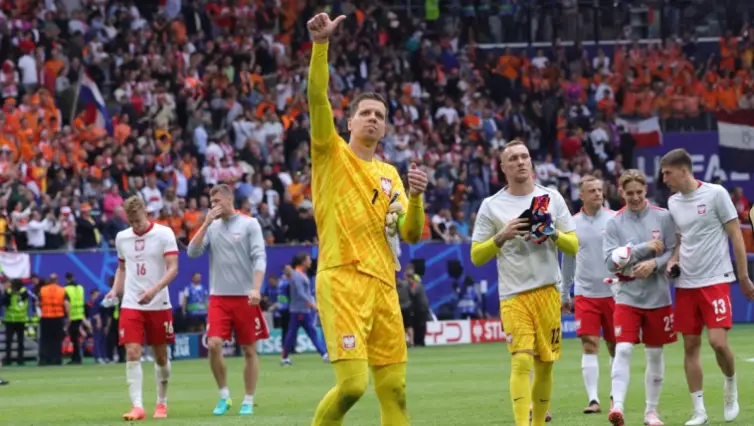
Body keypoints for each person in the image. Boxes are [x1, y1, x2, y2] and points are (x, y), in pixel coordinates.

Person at [306, 13, 428, 426]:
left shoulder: (391, 174)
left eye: (380, 115)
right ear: (349, 121)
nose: (373, 119)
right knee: (354, 386)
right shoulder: (330, 153)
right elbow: (316, 98)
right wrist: (321, 46)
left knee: (395, 389)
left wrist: (415, 199)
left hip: (384, 284)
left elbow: (411, 234)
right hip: (342, 277)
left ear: (386, 125)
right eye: (366, 114)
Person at [470, 140, 578, 426]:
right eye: (513, 158)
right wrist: (501, 236)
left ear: (531, 163)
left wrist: (552, 233)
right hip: (513, 295)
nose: (520, 162)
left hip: (547, 291)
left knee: (545, 366)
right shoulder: (491, 206)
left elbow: (573, 246)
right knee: (521, 360)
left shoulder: (551, 198)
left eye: (525, 157)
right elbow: (476, 256)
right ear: (503, 167)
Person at [660, 149, 754, 425]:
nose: (664, 178)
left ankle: (730, 386)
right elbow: (679, 241)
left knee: (718, 342)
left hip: (715, 280)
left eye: (668, 172)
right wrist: (673, 262)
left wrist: (744, 276)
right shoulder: (673, 202)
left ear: (683, 170)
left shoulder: (716, 194)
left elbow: (735, 234)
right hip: (686, 283)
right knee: (690, 345)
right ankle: (699, 411)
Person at [187, 184, 270, 417]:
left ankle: (248, 399)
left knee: (249, 350)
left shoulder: (249, 224)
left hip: (245, 296)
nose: (213, 206)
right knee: (213, 344)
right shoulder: (211, 227)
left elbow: (259, 257)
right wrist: (204, 223)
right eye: (211, 203)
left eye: (217, 202)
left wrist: (256, 289)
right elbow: (192, 253)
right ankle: (224, 396)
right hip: (219, 297)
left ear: (228, 200)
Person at [601, 170, 677, 426]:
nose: (634, 198)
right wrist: (644, 249)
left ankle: (651, 413)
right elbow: (610, 264)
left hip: (658, 296)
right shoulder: (613, 223)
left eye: (639, 192)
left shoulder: (663, 217)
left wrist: (654, 264)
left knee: (655, 355)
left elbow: (671, 253)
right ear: (621, 192)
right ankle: (618, 407)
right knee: (622, 349)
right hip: (627, 296)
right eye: (629, 193)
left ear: (646, 191)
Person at [104, 196, 179, 421]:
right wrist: (115, 291)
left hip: (158, 303)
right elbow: (122, 268)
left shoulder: (164, 234)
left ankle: (162, 403)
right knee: (132, 352)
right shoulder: (122, 238)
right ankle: (137, 407)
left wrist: (154, 290)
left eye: (138, 220)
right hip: (131, 303)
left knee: (160, 357)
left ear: (146, 212)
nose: (135, 225)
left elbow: (173, 268)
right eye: (131, 221)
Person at [561, 175, 617, 414]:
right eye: (592, 191)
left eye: (599, 189)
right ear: (581, 196)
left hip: (614, 292)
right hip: (585, 293)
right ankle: (594, 400)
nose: (597, 194)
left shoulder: (615, 220)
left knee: (616, 346)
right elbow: (568, 259)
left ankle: (617, 397)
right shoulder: (572, 224)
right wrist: (565, 292)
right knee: (589, 344)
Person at [280, 252, 328, 365]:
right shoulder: (297, 275)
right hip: (299, 310)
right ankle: (324, 354)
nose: (310, 261)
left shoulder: (301, 274)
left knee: (306, 333)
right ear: (303, 262)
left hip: (301, 310)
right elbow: (301, 293)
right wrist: (312, 305)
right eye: (308, 259)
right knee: (296, 334)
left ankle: (324, 354)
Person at [3, 279, 29, 366]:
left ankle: (20, 359)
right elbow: (4, 302)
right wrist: (9, 294)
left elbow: (24, 297)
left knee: (20, 341)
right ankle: (8, 359)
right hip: (10, 320)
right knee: (8, 341)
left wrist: (17, 294)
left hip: (20, 320)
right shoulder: (8, 292)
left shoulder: (24, 292)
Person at [64, 273, 86, 365]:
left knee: (74, 339)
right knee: (76, 339)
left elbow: (67, 304)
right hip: (79, 316)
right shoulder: (80, 288)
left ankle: (76, 358)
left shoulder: (66, 289)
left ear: (67, 279)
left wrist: (68, 318)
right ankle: (77, 357)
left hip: (72, 316)